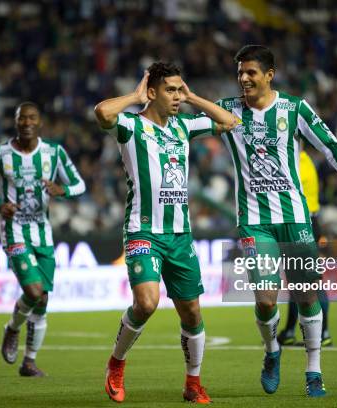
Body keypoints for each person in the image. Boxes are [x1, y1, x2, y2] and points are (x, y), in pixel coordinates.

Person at [215, 45, 337, 397]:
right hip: (254, 222)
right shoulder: (227, 111)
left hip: (295, 218)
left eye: (250, 72)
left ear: (269, 75)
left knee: (306, 293)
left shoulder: (294, 109)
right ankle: (272, 352)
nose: (243, 78)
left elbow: (331, 146)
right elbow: (187, 125)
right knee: (265, 298)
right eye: (239, 72)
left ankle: (313, 371)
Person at [94, 62, 239, 404]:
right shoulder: (131, 125)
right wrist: (134, 95)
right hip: (143, 231)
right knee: (147, 302)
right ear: (154, 91)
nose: (177, 96)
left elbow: (230, 121)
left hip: (180, 235)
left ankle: (193, 383)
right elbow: (102, 112)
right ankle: (116, 364)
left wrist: (192, 97)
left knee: (191, 312)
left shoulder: (184, 126)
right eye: (171, 90)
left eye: (179, 89)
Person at [0, 101, 86, 376]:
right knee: (34, 291)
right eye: (22, 118)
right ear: (16, 122)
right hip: (14, 230)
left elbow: (79, 184)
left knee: (43, 299)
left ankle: (29, 362)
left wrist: (63, 190)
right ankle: (12, 328)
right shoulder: (0, 153)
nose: (27, 123)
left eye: (32, 118)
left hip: (42, 231)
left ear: (40, 122)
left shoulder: (53, 152)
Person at [278, 143, 333, 347]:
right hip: (311, 221)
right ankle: (290, 331)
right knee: (298, 283)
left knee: (311, 283)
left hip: (303, 223)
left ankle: (323, 331)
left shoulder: (297, 162)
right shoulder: (306, 160)